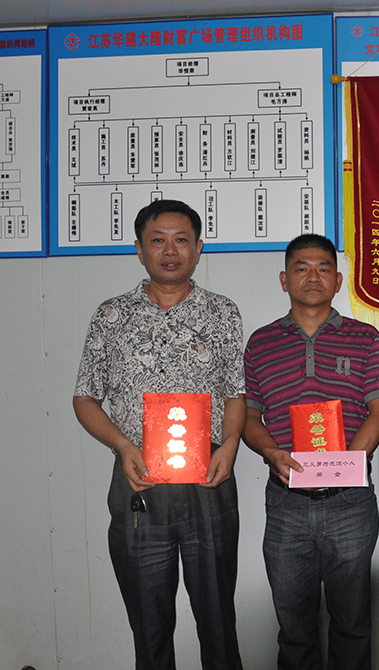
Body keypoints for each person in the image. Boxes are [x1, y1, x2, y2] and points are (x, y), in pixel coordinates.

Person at [73, 199, 245, 670]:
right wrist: (123, 445)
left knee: (218, 618)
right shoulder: (111, 315)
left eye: (181, 240)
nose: (171, 251)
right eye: (158, 240)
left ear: (198, 248)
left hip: (209, 478)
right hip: (139, 478)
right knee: (149, 623)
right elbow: (85, 398)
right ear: (139, 249)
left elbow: (235, 393)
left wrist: (230, 445)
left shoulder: (222, 313)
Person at [242, 233, 379, 670]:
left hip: (350, 503)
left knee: (352, 624)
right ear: (284, 279)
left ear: (338, 280)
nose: (313, 277)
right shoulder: (260, 343)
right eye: (301, 268)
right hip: (286, 503)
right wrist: (272, 452)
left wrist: (346, 464)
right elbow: (249, 418)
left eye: (324, 268)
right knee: (293, 628)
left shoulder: (365, 338)